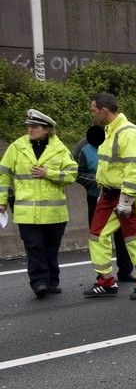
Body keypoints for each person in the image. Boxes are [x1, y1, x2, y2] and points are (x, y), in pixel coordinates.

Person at [84, 93, 136, 299]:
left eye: (93, 109)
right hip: (107, 194)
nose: (92, 113)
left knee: (133, 238)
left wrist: (127, 199)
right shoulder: (110, 131)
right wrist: (101, 181)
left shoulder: (129, 133)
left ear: (104, 110)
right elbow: (110, 164)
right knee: (97, 236)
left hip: (125, 196)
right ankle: (106, 281)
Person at [0, 109, 78, 298]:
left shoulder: (59, 149)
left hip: (54, 213)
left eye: (35, 127)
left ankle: (52, 281)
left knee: (51, 249)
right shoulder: (17, 147)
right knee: (34, 247)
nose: (30, 129)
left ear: (47, 129)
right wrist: (1, 201)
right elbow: (4, 174)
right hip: (27, 212)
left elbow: (72, 174)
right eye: (28, 126)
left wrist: (48, 173)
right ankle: (39, 283)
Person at [72, 124, 136, 283]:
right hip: (97, 198)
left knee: (123, 235)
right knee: (100, 237)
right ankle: (103, 274)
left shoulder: (117, 143)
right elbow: (76, 172)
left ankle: (125, 271)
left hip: (120, 196)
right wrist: (95, 182)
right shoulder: (83, 147)